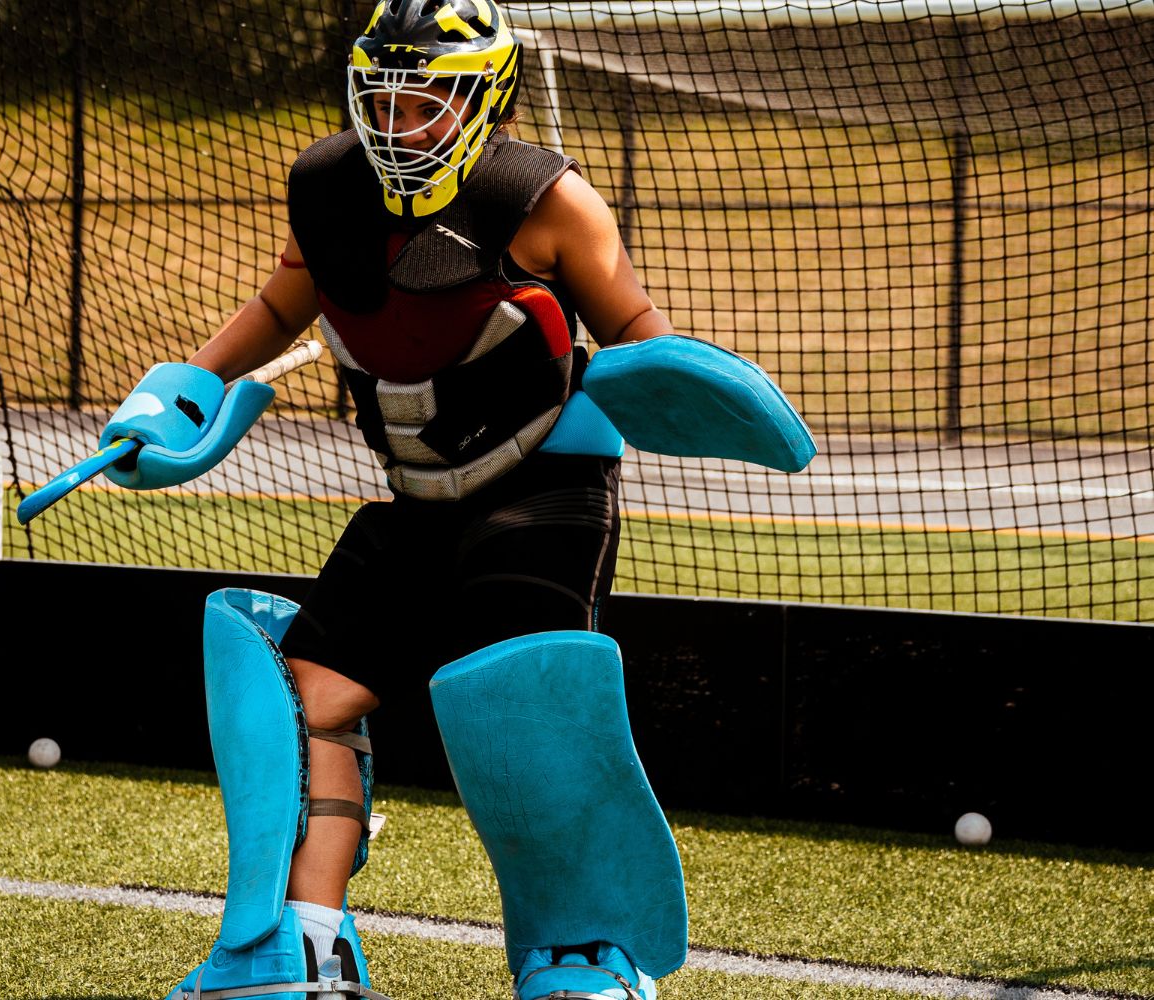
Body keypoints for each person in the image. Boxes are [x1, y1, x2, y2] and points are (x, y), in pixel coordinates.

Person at [99, 2, 809, 997]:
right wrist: (182, 390)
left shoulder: (546, 201)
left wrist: (703, 393)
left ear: (484, 99)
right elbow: (279, 307)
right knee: (305, 696)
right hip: (418, 499)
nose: (397, 125)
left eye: (425, 102)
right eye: (379, 99)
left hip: (546, 485)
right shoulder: (327, 190)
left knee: (527, 693)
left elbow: (643, 343)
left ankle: (584, 956)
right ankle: (301, 949)